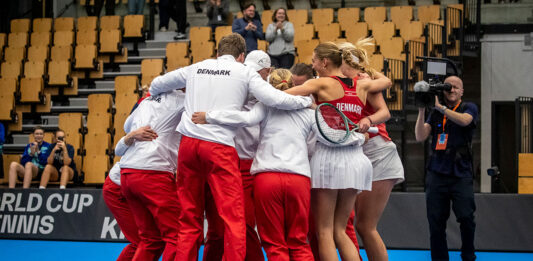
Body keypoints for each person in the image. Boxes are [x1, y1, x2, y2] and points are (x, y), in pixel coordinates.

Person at [149, 33, 312, 261]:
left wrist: (155, 99)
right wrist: (306, 101)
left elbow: (156, 84)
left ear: (217, 53)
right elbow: (276, 99)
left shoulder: (196, 67)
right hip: (218, 147)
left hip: (187, 146)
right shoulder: (244, 72)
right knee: (234, 218)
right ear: (241, 56)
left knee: (189, 219)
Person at [193, 68, 317, 260]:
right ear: (294, 85)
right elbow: (321, 140)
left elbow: (245, 119)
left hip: (267, 178)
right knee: (299, 242)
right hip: (299, 177)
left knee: (274, 243)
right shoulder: (309, 111)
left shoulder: (265, 106)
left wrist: (209, 116)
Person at [285, 41, 392, 261]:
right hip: (356, 159)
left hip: (329, 159)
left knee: (323, 230)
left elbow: (286, 95)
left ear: (324, 62)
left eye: (314, 60)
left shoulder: (321, 84)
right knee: (340, 230)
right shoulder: (361, 84)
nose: (313, 65)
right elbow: (386, 82)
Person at [338, 41, 405, 261]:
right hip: (358, 153)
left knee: (366, 226)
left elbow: (384, 112)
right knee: (352, 224)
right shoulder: (337, 82)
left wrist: (367, 119)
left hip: (378, 152)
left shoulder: (364, 79)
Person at [201, 50, 270, 261]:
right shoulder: (237, 83)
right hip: (222, 159)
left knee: (243, 226)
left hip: (244, 163)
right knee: (217, 229)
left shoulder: (264, 92)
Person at [117, 89, 185, 260]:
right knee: (177, 235)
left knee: (150, 239)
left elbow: (127, 126)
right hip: (152, 173)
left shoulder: (145, 101)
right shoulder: (182, 100)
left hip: (127, 174)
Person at [415, 76, 477, 261]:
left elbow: (465, 121)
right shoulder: (434, 113)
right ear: (442, 90)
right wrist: (421, 109)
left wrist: (440, 107)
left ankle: (467, 255)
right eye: (448, 87)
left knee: (466, 218)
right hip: (437, 172)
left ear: (462, 91)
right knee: (435, 222)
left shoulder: (469, 107)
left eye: (456, 87)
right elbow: (420, 136)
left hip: (461, 171)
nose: (452, 90)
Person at [102, 163, 140, 261]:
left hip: (136, 186)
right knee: (141, 241)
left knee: (151, 239)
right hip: (117, 187)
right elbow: (119, 149)